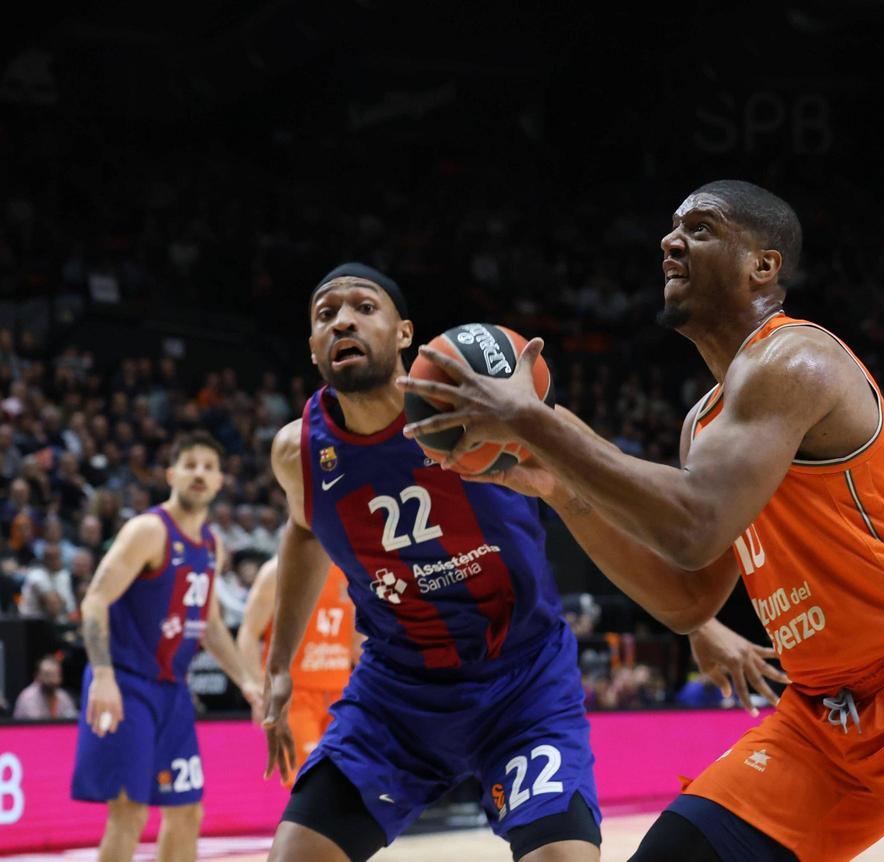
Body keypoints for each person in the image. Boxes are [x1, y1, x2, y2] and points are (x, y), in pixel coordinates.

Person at [401, 180, 884, 861]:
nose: (669, 241)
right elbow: (688, 597)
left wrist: (536, 420)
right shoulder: (703, 423)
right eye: (672, 228)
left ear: (762, 266)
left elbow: (696, 523)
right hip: (826, 716)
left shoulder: (796, 360)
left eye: (701, 229)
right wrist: (564, 490)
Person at [259, 262, 779, 862]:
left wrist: (699, 622)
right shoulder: (299, 451)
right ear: (312, 348)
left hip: (522, 684)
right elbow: (303, 532)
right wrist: (279, 666)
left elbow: (622, 502)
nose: (343, 320)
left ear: (405, 334)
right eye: (326, 315)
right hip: (397, 695)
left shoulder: (498, 410)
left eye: (362, 307)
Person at [70, 431, 261, 862]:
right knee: (129, 813)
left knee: (187, 810)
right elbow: (96, 598)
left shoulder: (212, 545)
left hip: (172, 693)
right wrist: (102, 676)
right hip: (126, 683)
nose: (200, 473)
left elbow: (209, 625)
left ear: (219, 482)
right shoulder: (148, 530)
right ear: (172, 474)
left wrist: (248, 681)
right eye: (191, 464)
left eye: (209, 467)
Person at [237, 555, 356, 779]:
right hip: (295, 694)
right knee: (309, 782)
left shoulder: (351, 566)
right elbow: (249, 633)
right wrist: (256, 687)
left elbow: (357, 639)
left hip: (343, 693)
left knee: (347, 782)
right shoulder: (278, 570)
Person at [13, 654, 78, 720]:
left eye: (55, 674)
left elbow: (72, 720)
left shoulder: (64, 697)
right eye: (47, 674)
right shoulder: (28, 697)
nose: (51, 679)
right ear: (37, 676)